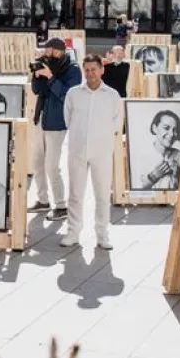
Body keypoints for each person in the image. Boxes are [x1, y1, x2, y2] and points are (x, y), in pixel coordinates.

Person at [63, 54, 123, 249]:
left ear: (101, 70)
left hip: (102, 151)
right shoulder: (73, 93)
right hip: (77, 150)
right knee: (75, 193)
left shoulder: (112, 95)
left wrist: (102, 135)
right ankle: (73, 231)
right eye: (87, 70)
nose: (90, 73)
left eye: (94, 69)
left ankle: (102, 234)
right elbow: (67, 118)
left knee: (103, 195)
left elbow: (117, 121)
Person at [30, 38, 82, 218]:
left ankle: (60, 206)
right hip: (40, 119)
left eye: (51, 50)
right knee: (36, 163)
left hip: (57, 123)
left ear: (60, 51)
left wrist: (51, 77)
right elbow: (37, 91)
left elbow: (68, 96)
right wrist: (37, 76)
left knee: (51, 166)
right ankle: (43, 201)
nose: (47, 53)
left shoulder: (72, 69)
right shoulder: (46, 64)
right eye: (46, 50)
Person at [138, 110, 180, 189]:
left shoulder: (179, 156)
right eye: (166, 128)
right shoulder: (142, 155)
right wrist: (154, 176)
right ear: (155, 128)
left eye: (174, 130)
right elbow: (136, 191)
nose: (171, 134)